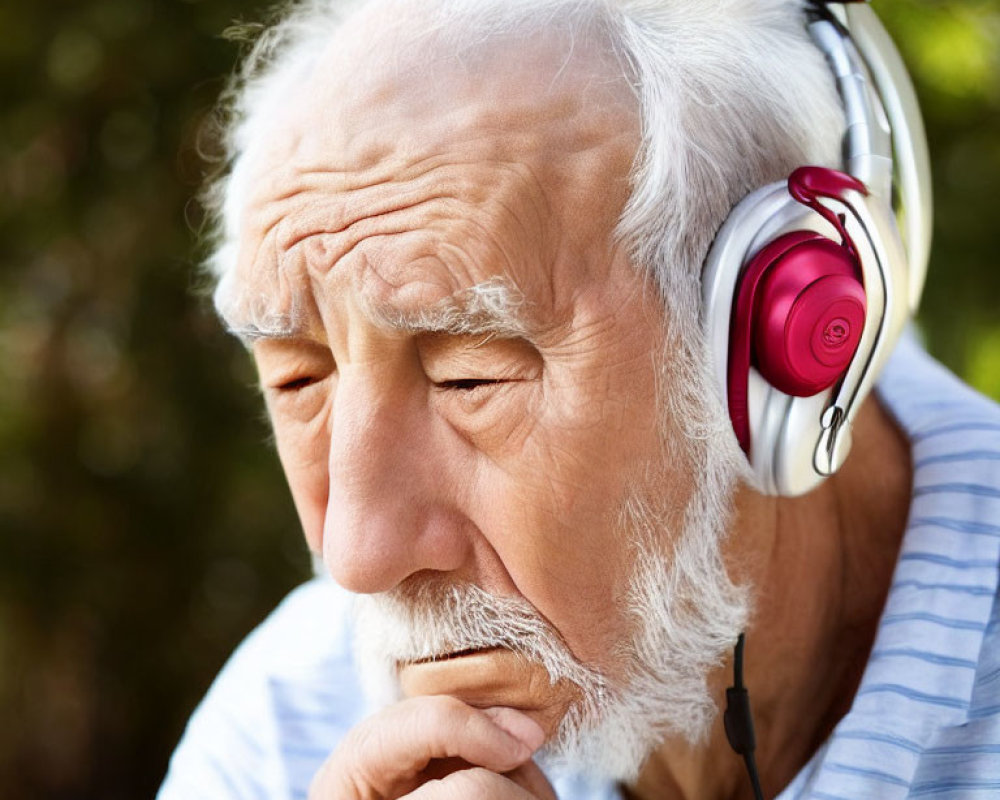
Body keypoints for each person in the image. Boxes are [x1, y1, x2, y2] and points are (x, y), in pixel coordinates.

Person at [159, 0, 1000, 798]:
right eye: (299, 381)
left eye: (470, 377)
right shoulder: (286, 726)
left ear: (774, 355)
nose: (356, 555)